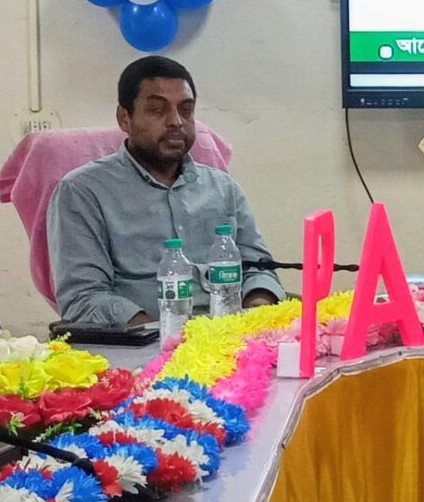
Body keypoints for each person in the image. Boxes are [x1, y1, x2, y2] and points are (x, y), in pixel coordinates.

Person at [51, 56, 282, 326]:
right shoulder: (83, 192)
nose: (176, 121)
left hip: (229, 336)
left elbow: (259, 269)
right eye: (157, 110)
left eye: (186, 110)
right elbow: (83, 297)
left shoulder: (223, 188)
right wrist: (163, 334)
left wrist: (256, 311)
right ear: (125, 118)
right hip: (142, 342)